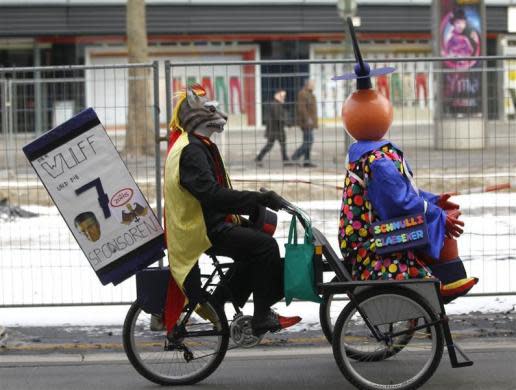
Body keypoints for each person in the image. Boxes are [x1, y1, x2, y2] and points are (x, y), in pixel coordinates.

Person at [335, 21, 477, 303]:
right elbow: (398, 204)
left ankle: (447, 277)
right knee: (437, 222)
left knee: (435, 214)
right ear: (384, 113)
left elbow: (401, 194)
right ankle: (444, 281)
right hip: (370, 244)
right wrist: (435, 213)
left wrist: (433, 200)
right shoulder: (378, 161)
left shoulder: (369, 153)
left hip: (363, 235)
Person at [164, 85, 301, 336]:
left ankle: (219, 301)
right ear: (194, 115)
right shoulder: (192, 150)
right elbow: (212, 195)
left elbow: (215, 193)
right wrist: (258, 200)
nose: (223, 116)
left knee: (257, 243)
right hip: (202, 229)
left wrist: (255, 204)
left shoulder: (196, 144)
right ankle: (261, 317)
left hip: (206, 222)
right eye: (212, 110)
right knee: (264, 247)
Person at [255, 89, 290, 166]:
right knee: (270, 146)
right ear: (277, 95)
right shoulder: (275, 104)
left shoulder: (277, 104)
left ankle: (285, 160)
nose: (283, 98)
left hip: (277, 129)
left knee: (281, 144)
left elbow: (280, 116)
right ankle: (259, 157)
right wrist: (286, 122)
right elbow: (278, 117)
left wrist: (286, 121)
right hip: (275, 129)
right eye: (282, 96)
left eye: (284, 96)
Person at [292, 79, 317, 168]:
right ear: (307, 85)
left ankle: (307, 161)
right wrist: (307, 120)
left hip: (310, 123)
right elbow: (301, 109)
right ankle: (295, 156)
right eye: (313, 84)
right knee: (308, 141)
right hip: (306, 123)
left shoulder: (311, 94)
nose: (314, 86)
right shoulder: (303, 94)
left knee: (308, 141)